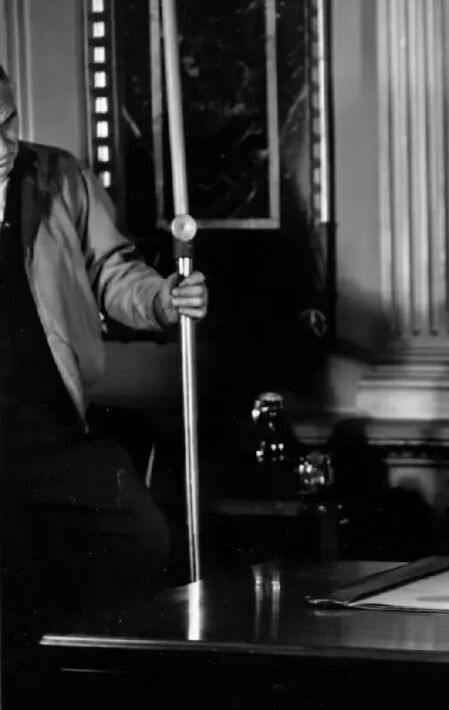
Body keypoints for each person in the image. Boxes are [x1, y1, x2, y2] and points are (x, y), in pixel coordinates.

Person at [0, 63, 208, 693]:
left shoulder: (59, 175)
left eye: (7, 122)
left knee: (140, 536)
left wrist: (164, 299)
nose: (3, 144)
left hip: (53, 424)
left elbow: (114, 270)